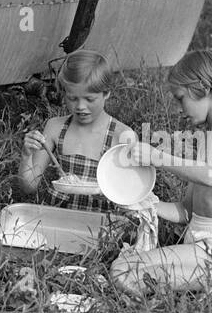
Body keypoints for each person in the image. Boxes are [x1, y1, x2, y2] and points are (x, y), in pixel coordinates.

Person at [109, 50, 212, 295]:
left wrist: (157, 157)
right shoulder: (211, 137)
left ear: (202, 87)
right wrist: (144, 204)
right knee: (124, 267)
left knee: (124, 271)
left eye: (180, 98)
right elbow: (187, 211)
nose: (179, 109)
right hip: (206, 247)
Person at [18, 50, 136, 218]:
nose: (80, 106)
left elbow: (129, 195)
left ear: (106, 93)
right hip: (58, 217)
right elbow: (29, 186)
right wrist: (26, 155)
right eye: (72, 98)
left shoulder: (122, 135)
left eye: (89, 99)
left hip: (100, 223)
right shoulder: (55, 127)